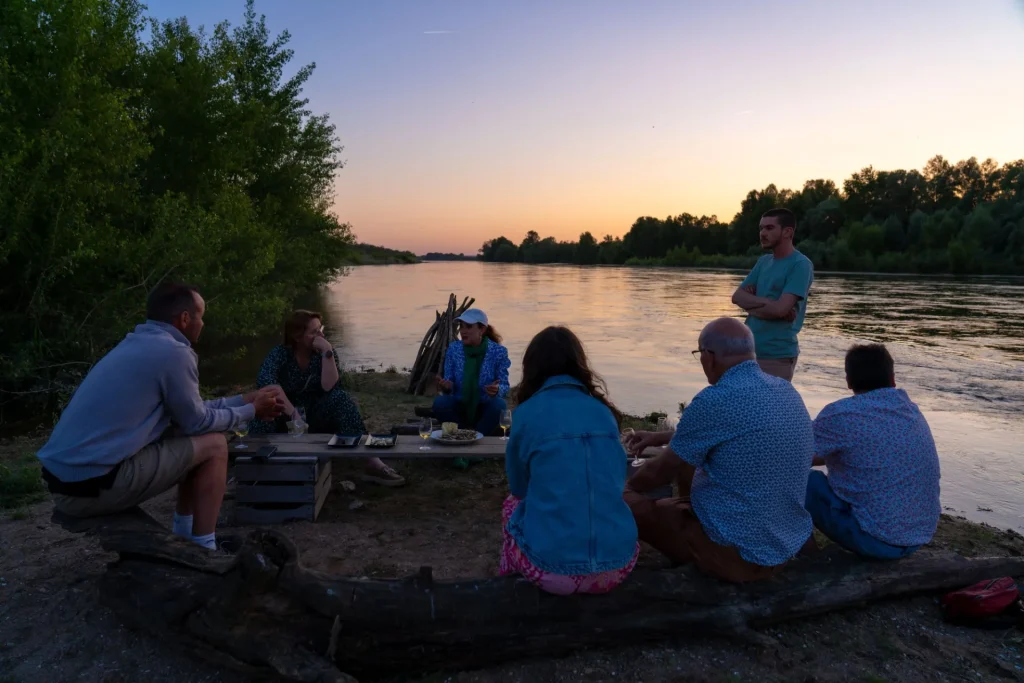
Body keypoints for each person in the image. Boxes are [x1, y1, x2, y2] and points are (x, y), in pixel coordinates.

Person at [36, 283, 285, 550]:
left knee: (189, 436)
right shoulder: (174, 353)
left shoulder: (138, 343)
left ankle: (186, 533)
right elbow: (197, 422)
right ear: (185, 318)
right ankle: (205, 549)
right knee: (215, 445)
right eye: (201, 316)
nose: (203, 324)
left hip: (67, 484)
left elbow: (192, 411)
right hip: (92, 489)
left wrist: (243, 400)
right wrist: (252, 411)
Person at [624, 317, 814, 582]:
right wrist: (663, 437)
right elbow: (731, 430)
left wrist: (627, 489)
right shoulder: (785, 390)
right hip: (782, 548)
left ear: (708, 357)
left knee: (625, 503)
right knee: (690, 458)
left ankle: (693, 552)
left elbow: (658, 474)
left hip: (738, 556)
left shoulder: (714, 399)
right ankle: (687, 520)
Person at [502, 326, 639, 594]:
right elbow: (615, 480)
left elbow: (518, 488)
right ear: (579, 364)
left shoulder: (526, 414)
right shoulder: (604, 413)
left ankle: (510, 590)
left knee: (510, 507)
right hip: (618, 564)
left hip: (552, 570)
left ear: (531, 366)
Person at [806, 343, 941, 559]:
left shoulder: (840, 414)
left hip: (878, 540)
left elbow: (793, 456)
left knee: (801, 480)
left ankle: (808, 556)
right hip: (918, 537)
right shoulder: (909, 409)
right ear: (893, 378)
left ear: (849, 381)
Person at [249, 310, 405, 487]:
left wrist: (327, 351)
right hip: (284, 416)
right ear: (297, 336)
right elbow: (268, 385)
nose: (321, 335)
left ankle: (373, 464)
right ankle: (247, 467)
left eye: (320, 329)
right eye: (314, 332)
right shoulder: (279, 354)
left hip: (316, 416)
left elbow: (329, 387)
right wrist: (294, 416)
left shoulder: (325, 352)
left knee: (341, 399)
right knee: (263, 410)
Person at [730, 207, 814, 381]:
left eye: (769, 228)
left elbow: (780, 310)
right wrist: (769, 303)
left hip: (777, 355)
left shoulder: (800, 265)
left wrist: (752, 305)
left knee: (770, 407)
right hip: (748, 351)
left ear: (787, 232)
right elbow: (737, 297)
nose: (762, 233)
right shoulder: (763, 262)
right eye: (761, 228)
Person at [432, 308, 511, 436]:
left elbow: (505, 386)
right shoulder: (454, 349)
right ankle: (462, 433)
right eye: (461, 327)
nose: (463, 331)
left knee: (499, 405)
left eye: (468, 327)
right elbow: (449, 382)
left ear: (482, 329)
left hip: (484, 406)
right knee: (440, 403)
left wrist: (497, 389)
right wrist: (446, 386)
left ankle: (476, 435)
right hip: (459, 405)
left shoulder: (498, 352)